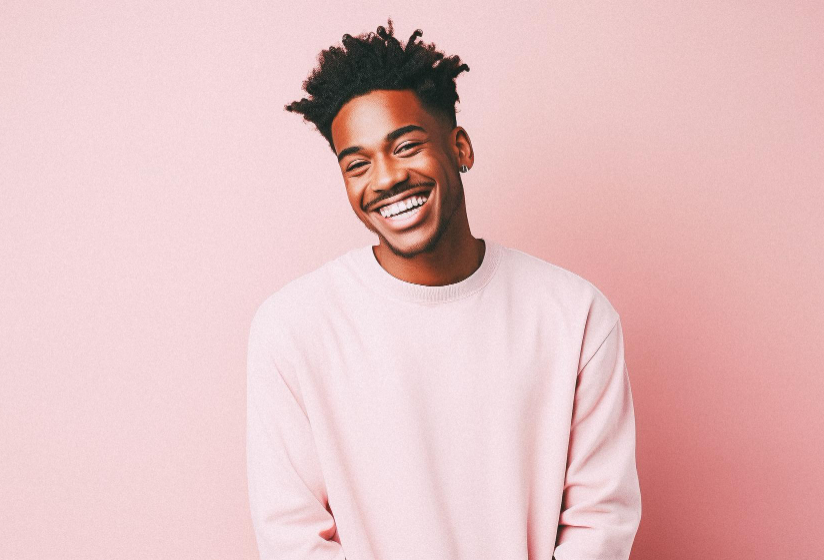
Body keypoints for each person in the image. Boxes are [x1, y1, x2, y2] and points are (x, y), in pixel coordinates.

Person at [246, 19, 642, 560]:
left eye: (406, 146)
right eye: (357, 164)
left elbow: (601, 521)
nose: (386, 178)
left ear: (461, 148)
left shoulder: (575, 316)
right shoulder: (292, 329)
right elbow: (291, 536)